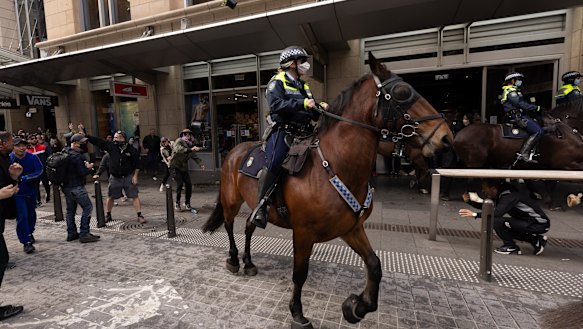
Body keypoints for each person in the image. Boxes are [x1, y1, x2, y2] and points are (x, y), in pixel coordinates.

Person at [251, 45, 328, 229]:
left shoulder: (304, 85)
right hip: (283, 132)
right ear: (292, 64)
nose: (306, 65)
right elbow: (276, 105)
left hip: (304, 132)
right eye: (302, 61)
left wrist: (318, 108)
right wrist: (303, 103)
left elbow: (309, 110)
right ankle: (261, 207)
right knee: (275, 162)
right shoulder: (277, 81)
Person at [458, 179, 550, 255]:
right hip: (530, 222)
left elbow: (496, 213)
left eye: (485, 189)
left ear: (493, 188)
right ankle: (536, 240)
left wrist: (475, 215)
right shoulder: (502, 194)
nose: (483, 192)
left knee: (497, 222)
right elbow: (488, 206)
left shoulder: (509, 196)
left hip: (538, 223)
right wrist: (470, 201)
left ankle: (511, 246)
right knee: (505, 226)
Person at [86, 130, 146, 224]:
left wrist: (135, 176)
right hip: (115, 177)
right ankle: (108, 214)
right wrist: (87, 136)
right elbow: (99, 142)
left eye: (116, 137)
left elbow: (138, 164)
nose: (114, 139)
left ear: (123, 138)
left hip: (128, 176)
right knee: (111, 196)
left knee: (134, 195)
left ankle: (139, 215)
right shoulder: (112, 147)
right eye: (114, 137)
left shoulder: (131, 150)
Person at [0, 131, 24, 320]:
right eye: (10, 142)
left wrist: (14, 178)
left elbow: (5, 183)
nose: (13, 145)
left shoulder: (4, 159)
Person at [62, 134, 100, 243]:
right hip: (76, 186)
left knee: (70, 211)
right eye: (80, 143)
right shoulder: (77, 156)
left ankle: (71, 233)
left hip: (66, 187)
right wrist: (89, 168)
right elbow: (82, 172)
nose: (83, 145)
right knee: (88, 207)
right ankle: (84, 233)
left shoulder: (64, 152)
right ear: (74, 143)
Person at [501, 72, 544, 163]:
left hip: (520, 114)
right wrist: (536, 108)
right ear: (512, 81)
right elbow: (520, 104)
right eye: (519, 80)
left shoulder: (515, 90)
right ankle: (524, 153)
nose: (520, 82)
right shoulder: (511, 92)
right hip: (517, 116)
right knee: (538, 131)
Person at [9, 137, 43, 254]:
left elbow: (39, 171)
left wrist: (24, 178)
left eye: (23, 145)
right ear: (13, 147)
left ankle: (30, 232)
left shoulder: (32, 157)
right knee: (22, 215)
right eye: (18, 146)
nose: (21, 148)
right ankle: (25, 241)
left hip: (31, 191)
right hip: (17, 192)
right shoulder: (9, 159)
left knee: (31, 214)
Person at [170, 129, 205, 211]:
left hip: (184, 168)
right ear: (182, 135)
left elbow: (194, 156)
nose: (187, 135)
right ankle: (177, 203)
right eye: (185, 134)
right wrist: (190, 149)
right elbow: (178, 149)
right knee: (180, 184)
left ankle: (187, 203)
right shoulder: (179, 141)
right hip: (175, 166)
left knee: (189, 185)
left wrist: (201, 164)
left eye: (189, 134)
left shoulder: (191, 145)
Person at [26, 134, 50, 205]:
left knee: (46, 184)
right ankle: (38, 200)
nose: (34, 140)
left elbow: (49, 156)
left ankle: (48, 195)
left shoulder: (43, 147)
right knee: (36, 186)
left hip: (43, 169)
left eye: (35, 138)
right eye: (32, 139)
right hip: (34, 171)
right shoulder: (27, 150)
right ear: (29, 140)